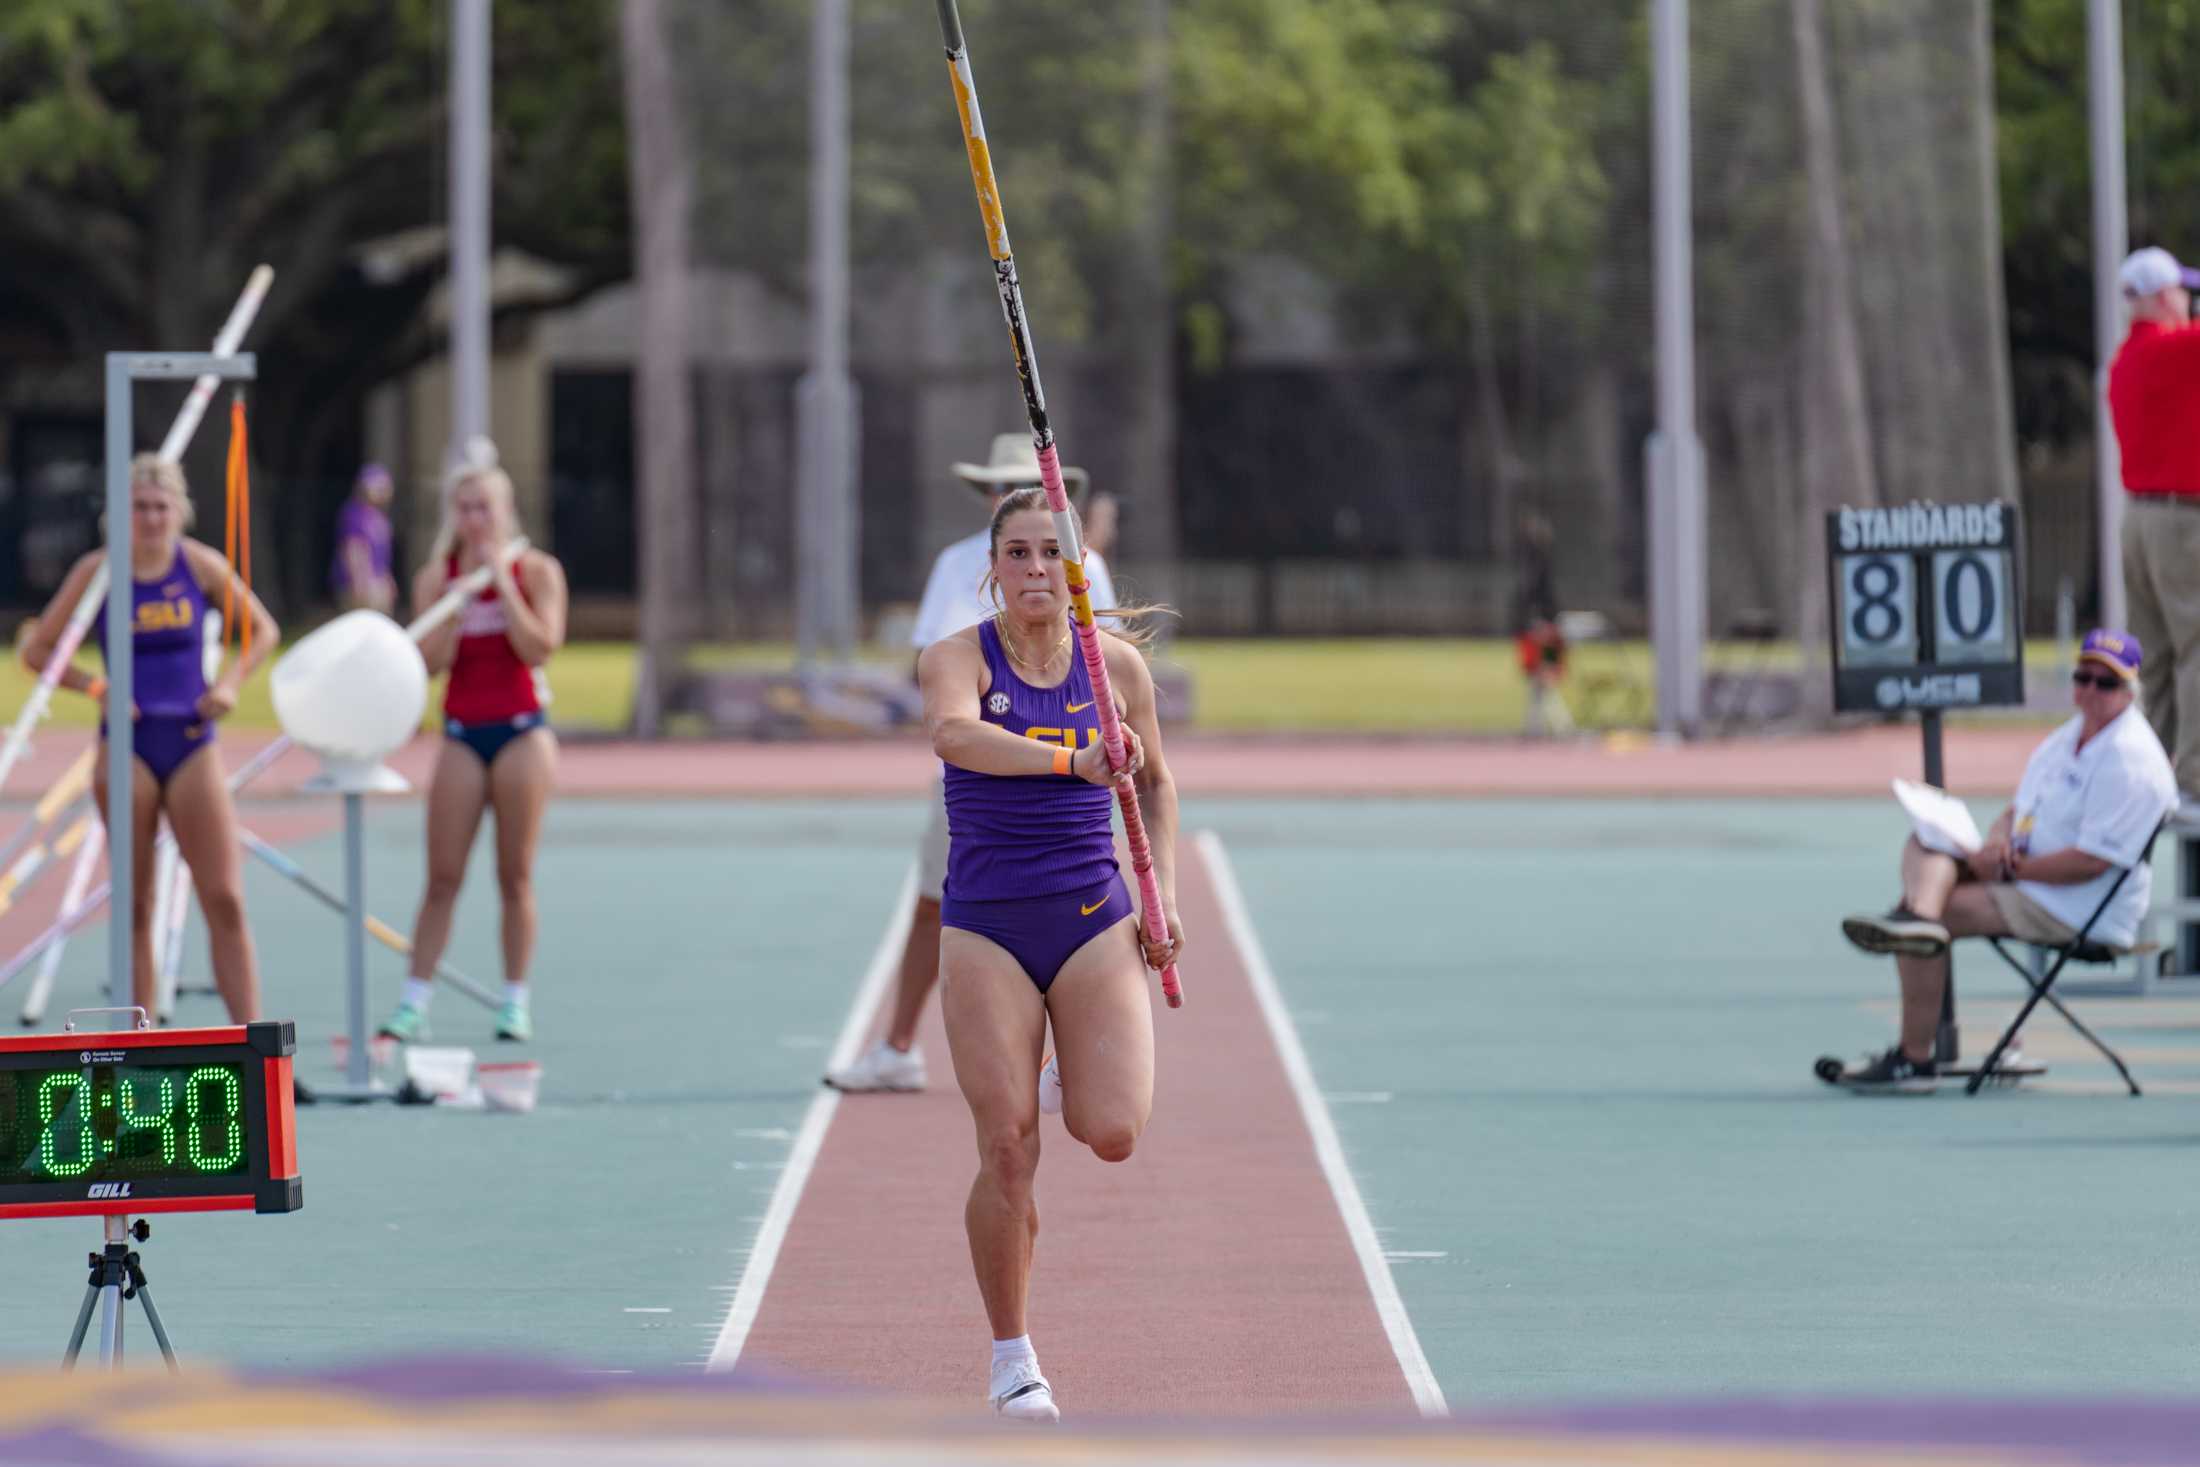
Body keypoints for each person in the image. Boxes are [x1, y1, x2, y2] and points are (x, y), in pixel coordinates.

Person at [919, 485, 1181, 1420]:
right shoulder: (957, 659)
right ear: (993, 568)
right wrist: (1070, 761)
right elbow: (955, 734)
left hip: (1091, 917)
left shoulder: (1116, 671)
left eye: (1048, 554)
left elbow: (1154, 787)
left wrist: (1164, 899)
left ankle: (1068, 1056)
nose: (1034, 570)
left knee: (1111, 1132)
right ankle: (1012, 1356)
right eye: (1017, 553)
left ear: (1075, 567)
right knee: (1007, 1145)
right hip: (987, 922)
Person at [825, 435, 1116, 1093]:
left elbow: (1107, 663)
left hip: (1074, 788)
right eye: (995, 487)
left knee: (1082, 906)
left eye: (1017, 483)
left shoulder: (1083, 565)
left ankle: (1061, 1050)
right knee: (940, 904)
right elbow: (940, 667)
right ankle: (899, 1047)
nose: (1004, 495)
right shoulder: (960, 564)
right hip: (978, 785)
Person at [1835, 630, 2176, 1090]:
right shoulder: (2067, 736)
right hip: (2024, 879)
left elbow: (2094, 863)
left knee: (1942, 916)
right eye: (2083, 677)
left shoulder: (2130, 759)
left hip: (2078, 907)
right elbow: (2020, 809)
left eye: (2106, 683)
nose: (2091, 690)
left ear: (2130, 691)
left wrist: (2013, 869)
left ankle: (1913, 1055)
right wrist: (1994, 845)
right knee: (1926, 842)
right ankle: (1916, 918)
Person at [20, 453, 279, 1023]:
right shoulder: (99, 572)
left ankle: (252, 1042)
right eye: (140, 507)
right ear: (121, 514)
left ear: (179, 511)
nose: (152, 519)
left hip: (190, 740)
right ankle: (140, 1046)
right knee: (134, 906)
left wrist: (231, 683)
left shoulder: (199, 565)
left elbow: (262, 630)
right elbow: (38, 651)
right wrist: (96, 688)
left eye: (161, 507)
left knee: (225, 898)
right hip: (127, 744)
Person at [380, 449, 567, 1044]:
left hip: (520, 732)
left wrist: (501, 586)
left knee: (514, 875)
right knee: (442, 876)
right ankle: (414, 1002)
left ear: (506, 511)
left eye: (485, 507)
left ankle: (515, 1000)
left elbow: (540, 646)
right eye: (465, 508)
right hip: (463, 731)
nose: (476, 518)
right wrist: (454, 611)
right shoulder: (438, 579)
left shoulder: (535, 571)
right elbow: (425, 666)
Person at [2110, 246, 2200, 797]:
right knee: (2197, 648)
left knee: (2158, 659)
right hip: (2181, 523)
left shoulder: (2122, 361)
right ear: (2164, 296)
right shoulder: (2179, 348)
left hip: (2138, 522)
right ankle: (2194, 774)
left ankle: (2143, 773)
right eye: (2183, 291)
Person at [1513, 512, 1573, 737]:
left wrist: (1540, 624)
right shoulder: (1535, 568)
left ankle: (1561, 725)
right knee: (1538, 682)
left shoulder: (1538, 570)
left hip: (1543, 628)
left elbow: (1541, 601)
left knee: (1544, 679)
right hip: (1543, 626)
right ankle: (1536, 726)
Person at [330, 462, 398, 614]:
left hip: (378, 583)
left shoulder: (380, 517)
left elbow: (382, 556)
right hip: (363, 584)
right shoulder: (355, 514)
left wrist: (388, 579)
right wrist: (360, 582)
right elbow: (353, 549)